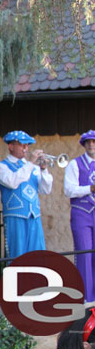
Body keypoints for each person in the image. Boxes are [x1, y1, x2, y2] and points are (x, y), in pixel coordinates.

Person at [0, 130, 53, 259]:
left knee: (38, 255)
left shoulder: (33, 167)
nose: (26, 148)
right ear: (11, 146)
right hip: (15, 215)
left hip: (34, 215)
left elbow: (46, 189)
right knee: (18, 255)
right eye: (22, 144)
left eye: (27, 145)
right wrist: (31, 163)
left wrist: (44, 169)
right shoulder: (1, 166)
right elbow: (12, 182)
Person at [64, 130, 95, 303]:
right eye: (88, 142)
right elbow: (68, 190)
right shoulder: (75, 164)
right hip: (82, 213)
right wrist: (90, 188)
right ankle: (85, 299)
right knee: (84, 254)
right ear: (83, 145)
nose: (91, 145)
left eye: (94, 142)